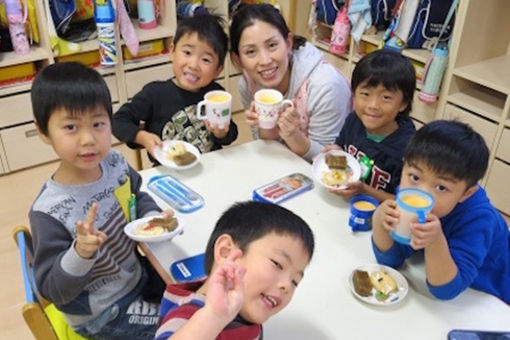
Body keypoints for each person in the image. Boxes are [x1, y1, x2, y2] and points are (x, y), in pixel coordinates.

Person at [29, 62, 172, 339]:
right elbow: (52, 289)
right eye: (71, 127)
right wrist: (80, 251)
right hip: (102, 312)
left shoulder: (116, 165)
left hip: (135, 275)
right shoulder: (49, 211)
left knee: (199, 288)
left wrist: (150, 216)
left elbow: (136, 195)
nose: (88, 139)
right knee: (184, 325)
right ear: (43, 131)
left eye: (98, 124)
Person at [372, 120, 510, 303]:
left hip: (493, 288)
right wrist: (379, 222)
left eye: (441, 188)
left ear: (466, 193)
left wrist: (435, 242)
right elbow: (392, 260)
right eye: (414, 176)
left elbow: (446, 290)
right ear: (405, 166)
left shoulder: (479, 219)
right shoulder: (410, 193)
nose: (422, 193)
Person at [154, 201, 315, 339]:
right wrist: (214, 317)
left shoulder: (245, 310)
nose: (286, 286)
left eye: (295, 281)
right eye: (278, 264)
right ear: (226, 252)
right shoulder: (190, 318)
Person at [230, 4, 351, 162]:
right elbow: (266, 147)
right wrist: (266, 128)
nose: (265, 61)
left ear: (288, 43)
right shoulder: (249, 84)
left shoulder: (326, 85)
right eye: (251, 51)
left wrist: (294, 136)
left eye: (272, 45)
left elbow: (330, 162)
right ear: (238, 59)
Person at [113, 14, 238, 166]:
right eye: (187, 53)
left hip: (207, 166)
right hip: (168, 170)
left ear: (218, 70)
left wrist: (221, 133)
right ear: (172, 51)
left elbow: (230, 134)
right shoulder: (154, 93)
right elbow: (117, 121)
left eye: (205, 59)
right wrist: (142, 137)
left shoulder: (216, 95)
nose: (193, 65)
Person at [326, 49, 416, 202]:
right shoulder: (354, 120)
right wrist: (334, 155)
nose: (373, 105)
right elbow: (343, 153)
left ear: (403, 104)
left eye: (386, 97)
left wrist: (363, 190)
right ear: (354, 94)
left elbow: (404, 201)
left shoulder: (409, 150)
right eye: (365, 94)